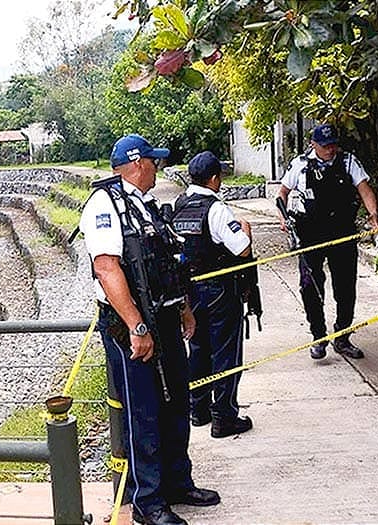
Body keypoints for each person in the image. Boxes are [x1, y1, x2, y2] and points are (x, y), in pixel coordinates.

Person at [78, 134, 220, 525]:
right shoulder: (105, 205)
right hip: (132, 329)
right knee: (144, 412)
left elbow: (170, 264)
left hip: (166, 320)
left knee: (175, 402)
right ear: (138, 163)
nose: (157, 167)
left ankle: (177, 483)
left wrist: (186, 311)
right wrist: (136, 326)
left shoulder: (149, 206)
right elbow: (107, 268)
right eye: (153, 162)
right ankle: (148, 501)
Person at [277, 124, 378, 360]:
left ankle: (342, 337)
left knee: (345, 287)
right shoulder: (301, 164)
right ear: (313, 144)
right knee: (310, 285)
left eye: (333, 144)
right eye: (325, 146)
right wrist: (283, 218)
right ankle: (319, 337)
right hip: (310, 232)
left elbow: (364, 189)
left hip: (342, 230)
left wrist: (373, 215)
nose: (330, 150)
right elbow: (281, 193)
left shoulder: (347, 161)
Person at [172, 151, 254, 439]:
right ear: (215, 179)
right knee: (225, 353)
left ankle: (198, 410)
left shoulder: (178, 206)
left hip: (190, 292)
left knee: (198, 350)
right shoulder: (215, 209)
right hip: (220, 290)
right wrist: (246, 229)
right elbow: (241, 248)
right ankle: (224, 418)